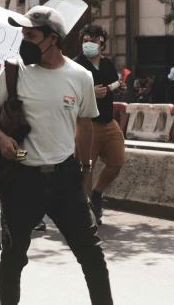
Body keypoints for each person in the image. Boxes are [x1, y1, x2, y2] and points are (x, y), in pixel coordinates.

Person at [0, 6, 112, 304]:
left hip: (65, 179)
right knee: (13, 257)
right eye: (23, 34)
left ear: (52, 39)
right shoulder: (14, 71)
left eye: (31, 34)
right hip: (21, 179)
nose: (24, 40)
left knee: (92, 256)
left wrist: (86, 168)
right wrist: (3, 139)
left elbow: (84, 125)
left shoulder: (80, 76)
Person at [75, 25, 127, 225]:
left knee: (116, 162)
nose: (88, 44)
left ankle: (97, 194)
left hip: (108, 121)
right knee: (85, 168)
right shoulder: (76, 65)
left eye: (93, 40)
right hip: (87, 123)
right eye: (85, 40)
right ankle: (87, 210)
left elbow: (113, 85)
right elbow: (68, 94)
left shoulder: (107, 63)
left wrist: (119, 88)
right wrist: (90, 94)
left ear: (102, 43)